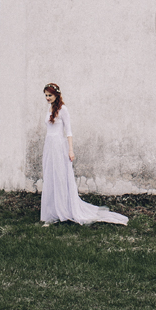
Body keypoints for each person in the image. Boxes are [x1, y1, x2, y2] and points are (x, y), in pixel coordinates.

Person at [39, 83, 128, 226]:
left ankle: (64, 209)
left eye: (50, 95)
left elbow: (68, 131)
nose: (47, 98)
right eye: (46, 95)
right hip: (49, 146)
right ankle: (52, 213)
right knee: (51, 177)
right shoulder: (48, 109)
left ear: (56, 95)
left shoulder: (63, 110)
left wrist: (71, 149)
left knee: (61, 177)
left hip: (59, 146)